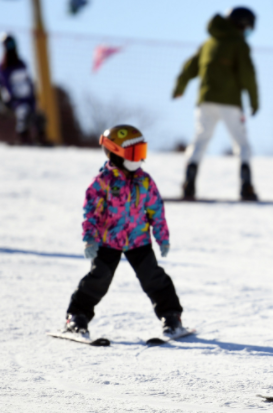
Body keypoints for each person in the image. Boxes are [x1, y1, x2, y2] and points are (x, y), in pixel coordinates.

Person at [63, 125, 184, 337]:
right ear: (116, 154)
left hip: (139, 241)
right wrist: (89, 239)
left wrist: (162, 238)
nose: (139, 159)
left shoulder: (144, 181)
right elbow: (91, 212)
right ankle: (77, 316)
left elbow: (156, 210)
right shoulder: (103, 182)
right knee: (99, 278)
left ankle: (171, 316)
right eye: (134, 153)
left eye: (142, 152)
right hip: (108, 240)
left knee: (153, 278)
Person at [173, 7, 259, 201]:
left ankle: (189, 183)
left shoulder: (208, 43)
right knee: (242, 143)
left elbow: (190, 67)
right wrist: (254, 101)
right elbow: (248, 75)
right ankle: (246, 186)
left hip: (205, 101)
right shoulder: (239, 44)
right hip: (231, 102)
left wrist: (179, 88)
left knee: (200, 140)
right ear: (241, 24)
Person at [0, 32, 47, 146]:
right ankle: (23, 137)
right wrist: (11, 99)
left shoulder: (22, 64)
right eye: (8, 44)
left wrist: (33, 99)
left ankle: (40, 138)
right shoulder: (4, 67)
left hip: (28, 98)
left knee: (39, 116)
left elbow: (29, 83)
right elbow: (5, 86)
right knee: (24, 112)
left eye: (12, 44)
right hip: (14, 101)